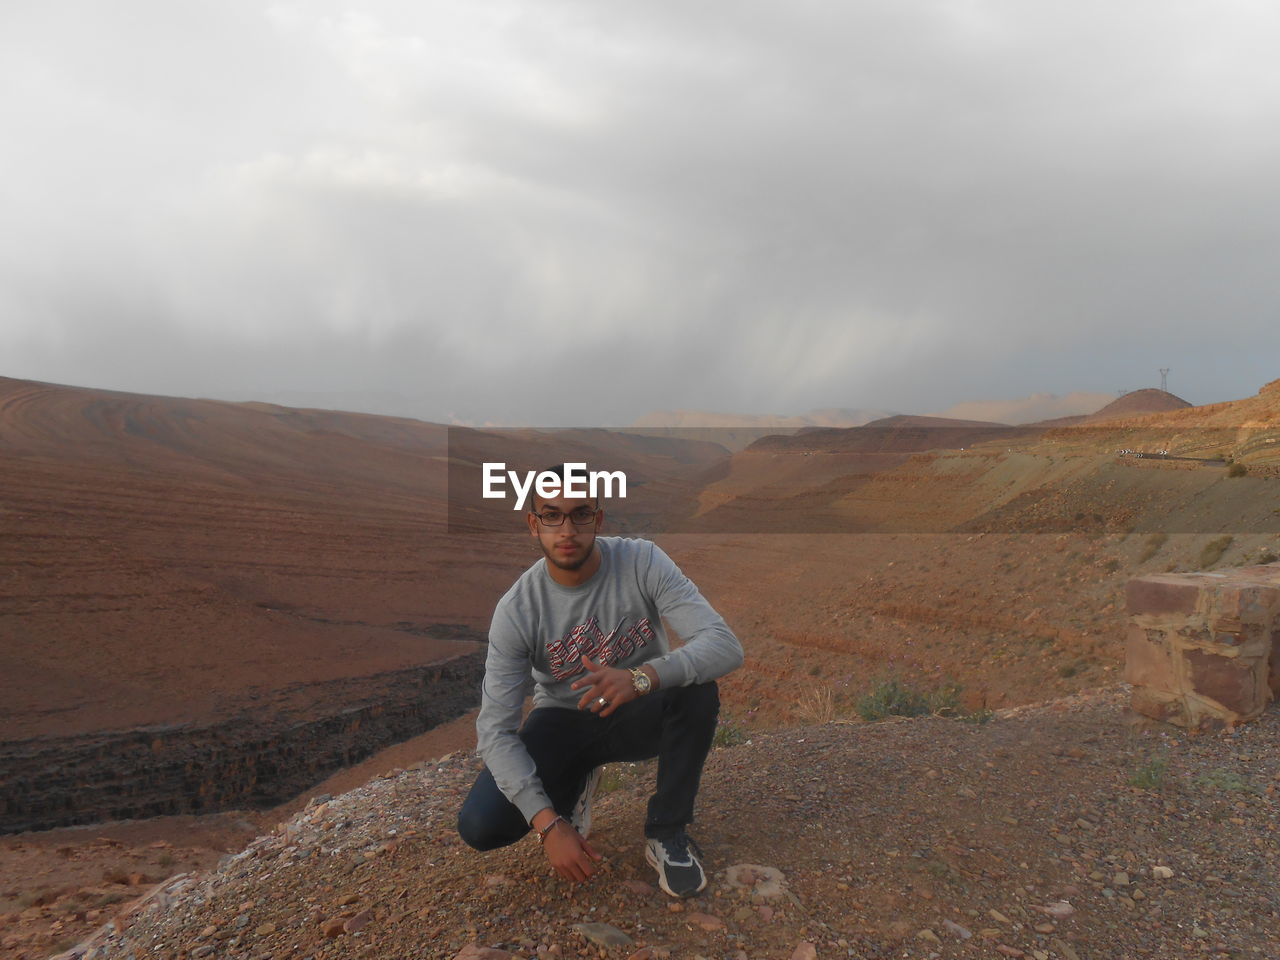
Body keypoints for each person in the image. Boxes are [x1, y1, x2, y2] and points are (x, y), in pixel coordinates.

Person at [456, 465, 743, 898]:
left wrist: (643, 677)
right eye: (552, 515)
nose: (567, 529)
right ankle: (571, 788)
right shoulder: (518, 609)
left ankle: (667, 832)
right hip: (563, 720)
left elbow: (724, 645)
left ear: (598, 519)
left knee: (696, 690)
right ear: (534, 525)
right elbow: (494, 731)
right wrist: (548, 825)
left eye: (580, 514)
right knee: (481, 826)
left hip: (639, 709)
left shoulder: (641, 560)